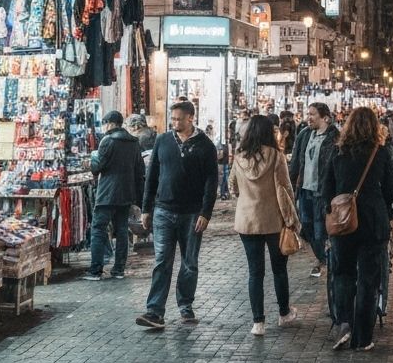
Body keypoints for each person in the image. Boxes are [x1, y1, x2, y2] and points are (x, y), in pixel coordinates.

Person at [136, 100, 218, 329]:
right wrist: (146, 208)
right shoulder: (163, 141)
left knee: (189, 262)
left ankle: (185, 305)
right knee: (162, 261)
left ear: (191, 118)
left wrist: (206, 212)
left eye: (179, 119)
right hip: (163, 211)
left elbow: (211, 182)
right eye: (172, 119)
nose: (174, 123)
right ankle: (154, 311)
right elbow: (152, 176)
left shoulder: (205, 146)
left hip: (192, 213)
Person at [322, 107, 393, 352]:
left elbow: (326, 187)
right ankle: (363, 337)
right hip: (373, 223)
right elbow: (391, 188)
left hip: (344, 222)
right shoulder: (380, 152)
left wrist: (332, 210)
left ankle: (344, 323)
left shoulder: (338, 152)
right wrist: (379, 204)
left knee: (343, 274)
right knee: (368, 279)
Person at [229, 114, 300, 335]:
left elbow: (232, 187)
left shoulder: (239, 157)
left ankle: (258, 323)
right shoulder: (276, 156)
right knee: (279, 269)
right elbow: (286, 188)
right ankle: (284, 313)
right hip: (273, 220)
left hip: (247, 220)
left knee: (255, 272)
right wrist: (292, 217)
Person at [86, 110, 145, 280]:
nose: (104, 127)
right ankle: (119, 269)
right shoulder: (134, 142)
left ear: (110, 124)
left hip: (107, 194)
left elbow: (97, 167)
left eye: (105, 124)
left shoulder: (107, 141)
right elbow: (139, 171)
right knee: (122, 230)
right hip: (126, 193)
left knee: (98, 229)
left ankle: (95, 270)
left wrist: (93, 157)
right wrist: (138, 198)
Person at [288, 102, 339, 278]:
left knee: (320, 230)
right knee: (306, 226)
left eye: (312, 114)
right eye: (308, 114)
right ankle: (323, 258)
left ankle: (327, 260)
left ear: (325, 118)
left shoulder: (334, 137)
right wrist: (291, 184)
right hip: (305, 189)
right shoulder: (304, 134)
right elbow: (296, 161)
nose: (308, 118)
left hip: (322, 191)